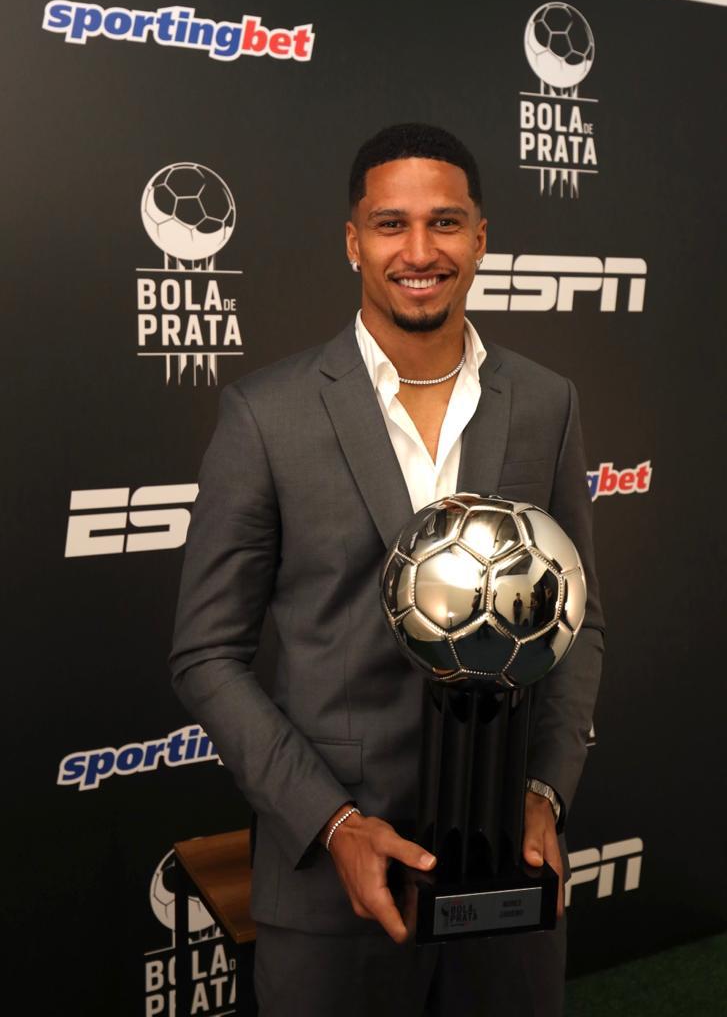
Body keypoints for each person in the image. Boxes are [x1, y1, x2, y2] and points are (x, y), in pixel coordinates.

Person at [169, 122, 605, 1016]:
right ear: (352, 241)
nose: (418, 252)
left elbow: (578, 619)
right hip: (330, 889)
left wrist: (541, 793)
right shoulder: (266, 415)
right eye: (389, 224)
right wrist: (333, 824)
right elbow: (205, 655)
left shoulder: (545, 402)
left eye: (444, 223)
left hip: (504, 872)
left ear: (479, 238)